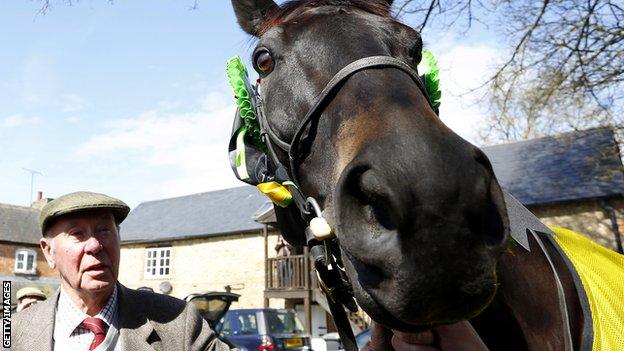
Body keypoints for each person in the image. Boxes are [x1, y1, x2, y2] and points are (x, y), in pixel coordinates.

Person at [11, 191, 234, 351]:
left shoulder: (177, 321)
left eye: (104, 230)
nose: (95, 245)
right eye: (78, 233)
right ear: (49, 252)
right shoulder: (13, 332)